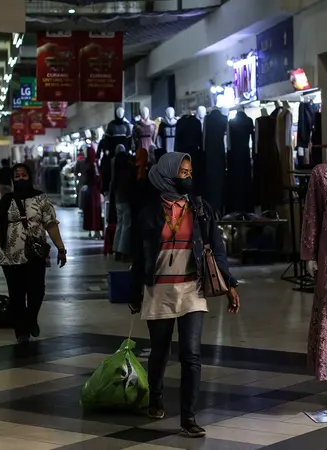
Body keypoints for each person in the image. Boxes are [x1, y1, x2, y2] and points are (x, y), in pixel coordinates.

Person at [129, 152, 240, 438]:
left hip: (193, 288)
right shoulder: (149, 212)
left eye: (190, 172)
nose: (188, 177)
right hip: (159, 290)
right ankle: (156, 397)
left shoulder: (200, 209)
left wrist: (230, 284)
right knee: (160, 351)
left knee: (191, 354)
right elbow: (138, 257)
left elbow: (216, 248)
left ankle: (188, 418)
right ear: (168, 174)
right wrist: (134, 290)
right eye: (183, 172)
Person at [0, 164, 66, 344]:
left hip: (35, 253)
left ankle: (31, 319)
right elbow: (0, 225)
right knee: (16, 295)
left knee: (37, 291)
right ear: (12, 179)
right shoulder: (6, 200)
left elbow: (51, 224)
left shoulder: (41, 199)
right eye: (16, 176)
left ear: (30, 177)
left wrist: (61, 248)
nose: (20, 178)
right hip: (11, 254)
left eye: (24, 175)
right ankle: (21, 332)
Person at [111, 144, 132, 260]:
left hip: (118, 200)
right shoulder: (126, 172)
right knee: (126, 225)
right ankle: (123, 250)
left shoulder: (116, 172)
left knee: (119, 224)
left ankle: (116, 249)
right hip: (125, 200)